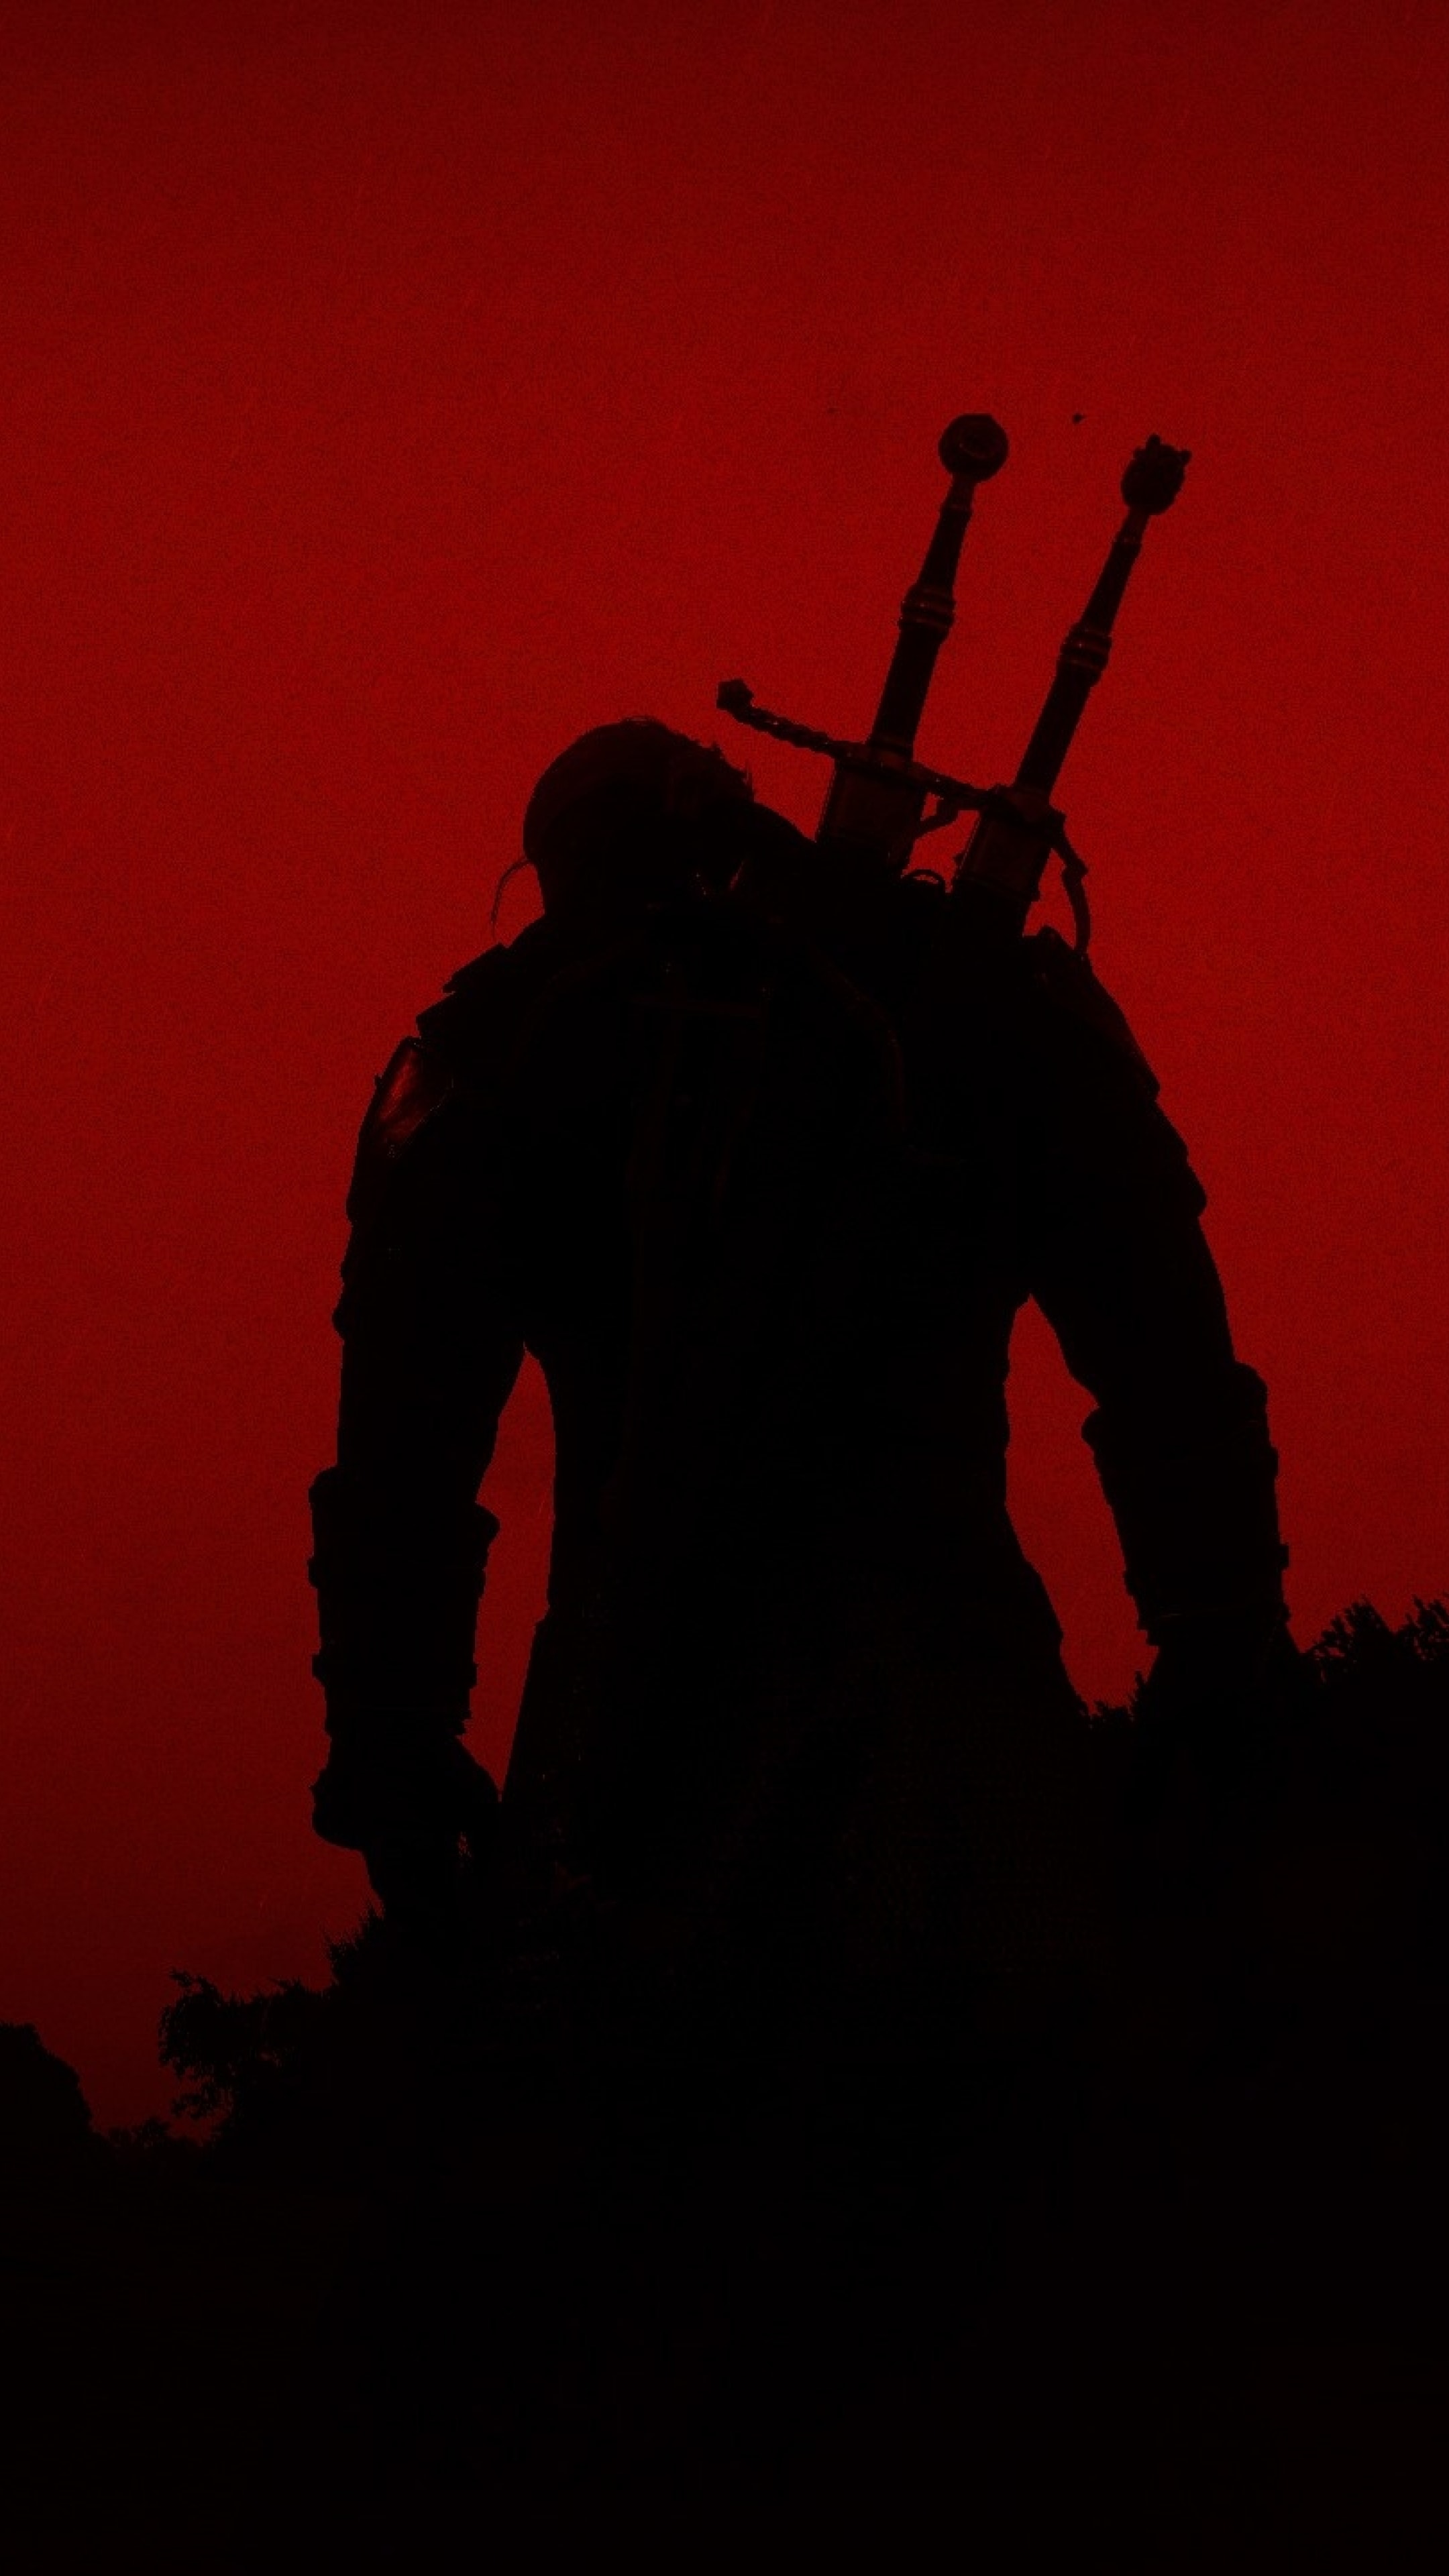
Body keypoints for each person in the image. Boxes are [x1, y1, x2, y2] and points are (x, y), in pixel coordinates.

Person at [307, 718, 1289, 2019]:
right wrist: (1221, 1630)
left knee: (634, 2109)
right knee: (1016, 2105)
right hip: (958, 1718)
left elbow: (402, 1463)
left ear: (558, 865)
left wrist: (393, 1737)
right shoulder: (975, 990)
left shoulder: (493, 1054)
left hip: (633, 1737)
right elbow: (1168, 1355)